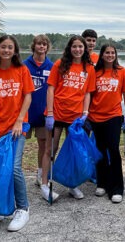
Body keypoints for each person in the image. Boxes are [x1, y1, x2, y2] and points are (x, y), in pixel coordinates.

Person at [0, 35, 34, 232]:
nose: (6, 50)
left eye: (10, 47)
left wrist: (19, 120)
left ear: (15, 51)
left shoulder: (22, 70)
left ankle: (22, 208)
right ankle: (2, 206)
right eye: (3, 47)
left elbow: (27, 97)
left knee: (14, 167)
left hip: (17, 128)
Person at [44, 35, 96, 200]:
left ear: (84, 48)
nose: (78, 49)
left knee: (73, 151)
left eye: (80, 46)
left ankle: (72, 184)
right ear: (69, 48)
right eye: (74, 46)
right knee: (51, 149)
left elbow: (88, 93)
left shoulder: (89, 68)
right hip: (57, 113)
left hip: (75, 117)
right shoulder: (60, 64)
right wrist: (50, 114)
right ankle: (45, 184)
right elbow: (51, 89)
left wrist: (85, 113)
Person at [88, 44, 125, 203]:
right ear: (102, 55)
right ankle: (102, 182)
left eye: (112, 52)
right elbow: (89, 94)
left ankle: (116, 187)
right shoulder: (95, 72)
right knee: (100, 150)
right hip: (95, 117)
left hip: (114, 116)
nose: (110, 55)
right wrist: (85, 113)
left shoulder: (122, 72)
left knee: (113, 149)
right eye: (107, 52)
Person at [23, 35, 54, 186]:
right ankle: (15, 174)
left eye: (44, 44)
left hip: (43, 114)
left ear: (47, 47)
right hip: (26, 113)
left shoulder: (52, 66)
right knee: (19, 144)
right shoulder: (24, 65)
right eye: (39, 44)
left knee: (43, 144)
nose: (41, 47)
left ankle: (41, 173)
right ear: (33, 46)